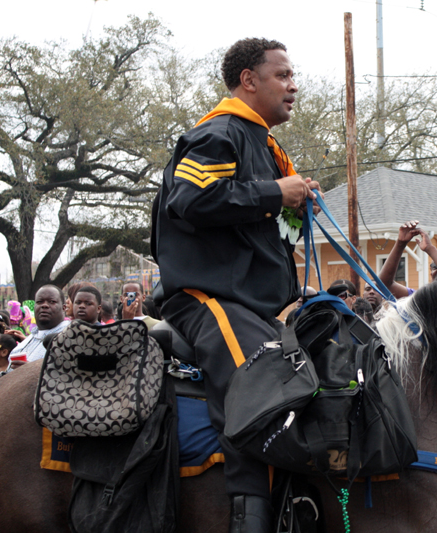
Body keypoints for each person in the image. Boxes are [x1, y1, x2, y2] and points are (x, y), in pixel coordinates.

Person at [151, 37, 320, 532]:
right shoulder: (219, 133)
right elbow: (190, 198)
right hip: (207, 299)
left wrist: (288, 197)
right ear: (249, 80)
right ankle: (249, 514)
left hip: (257, 302)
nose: (294, 85)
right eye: (282, 76)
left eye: (293, 76)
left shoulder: (264, 144)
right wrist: (274, 192)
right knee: (258, 380)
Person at [379, 220, 437, 299]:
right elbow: (384, 284)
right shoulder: (421, 299)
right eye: (435, 266)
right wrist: (401, 243)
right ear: (431, 273)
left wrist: (430, 249)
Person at [7, 285, 69, 365]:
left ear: (64, 308)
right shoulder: (30, 339)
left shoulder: (69, 337)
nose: (44, 305)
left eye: (52, 302)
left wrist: (31, 369)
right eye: (40, 302)